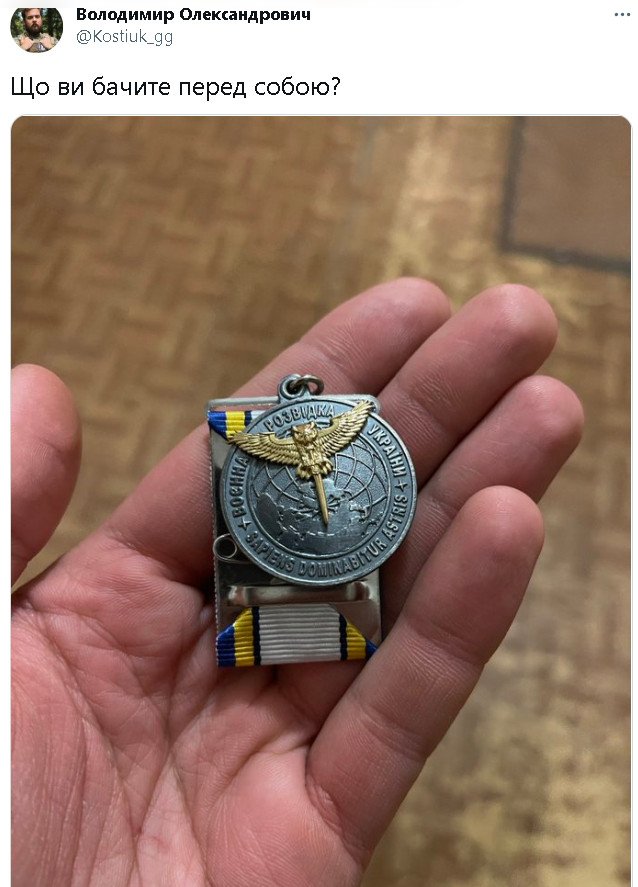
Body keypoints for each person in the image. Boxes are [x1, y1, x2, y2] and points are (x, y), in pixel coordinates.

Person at [12, 279, 583, 886]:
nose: (308, 433)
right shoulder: (251, 435)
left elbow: (347, 425)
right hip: (276, 579)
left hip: (329, 554)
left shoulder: (332, 431)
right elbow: (251, 443)